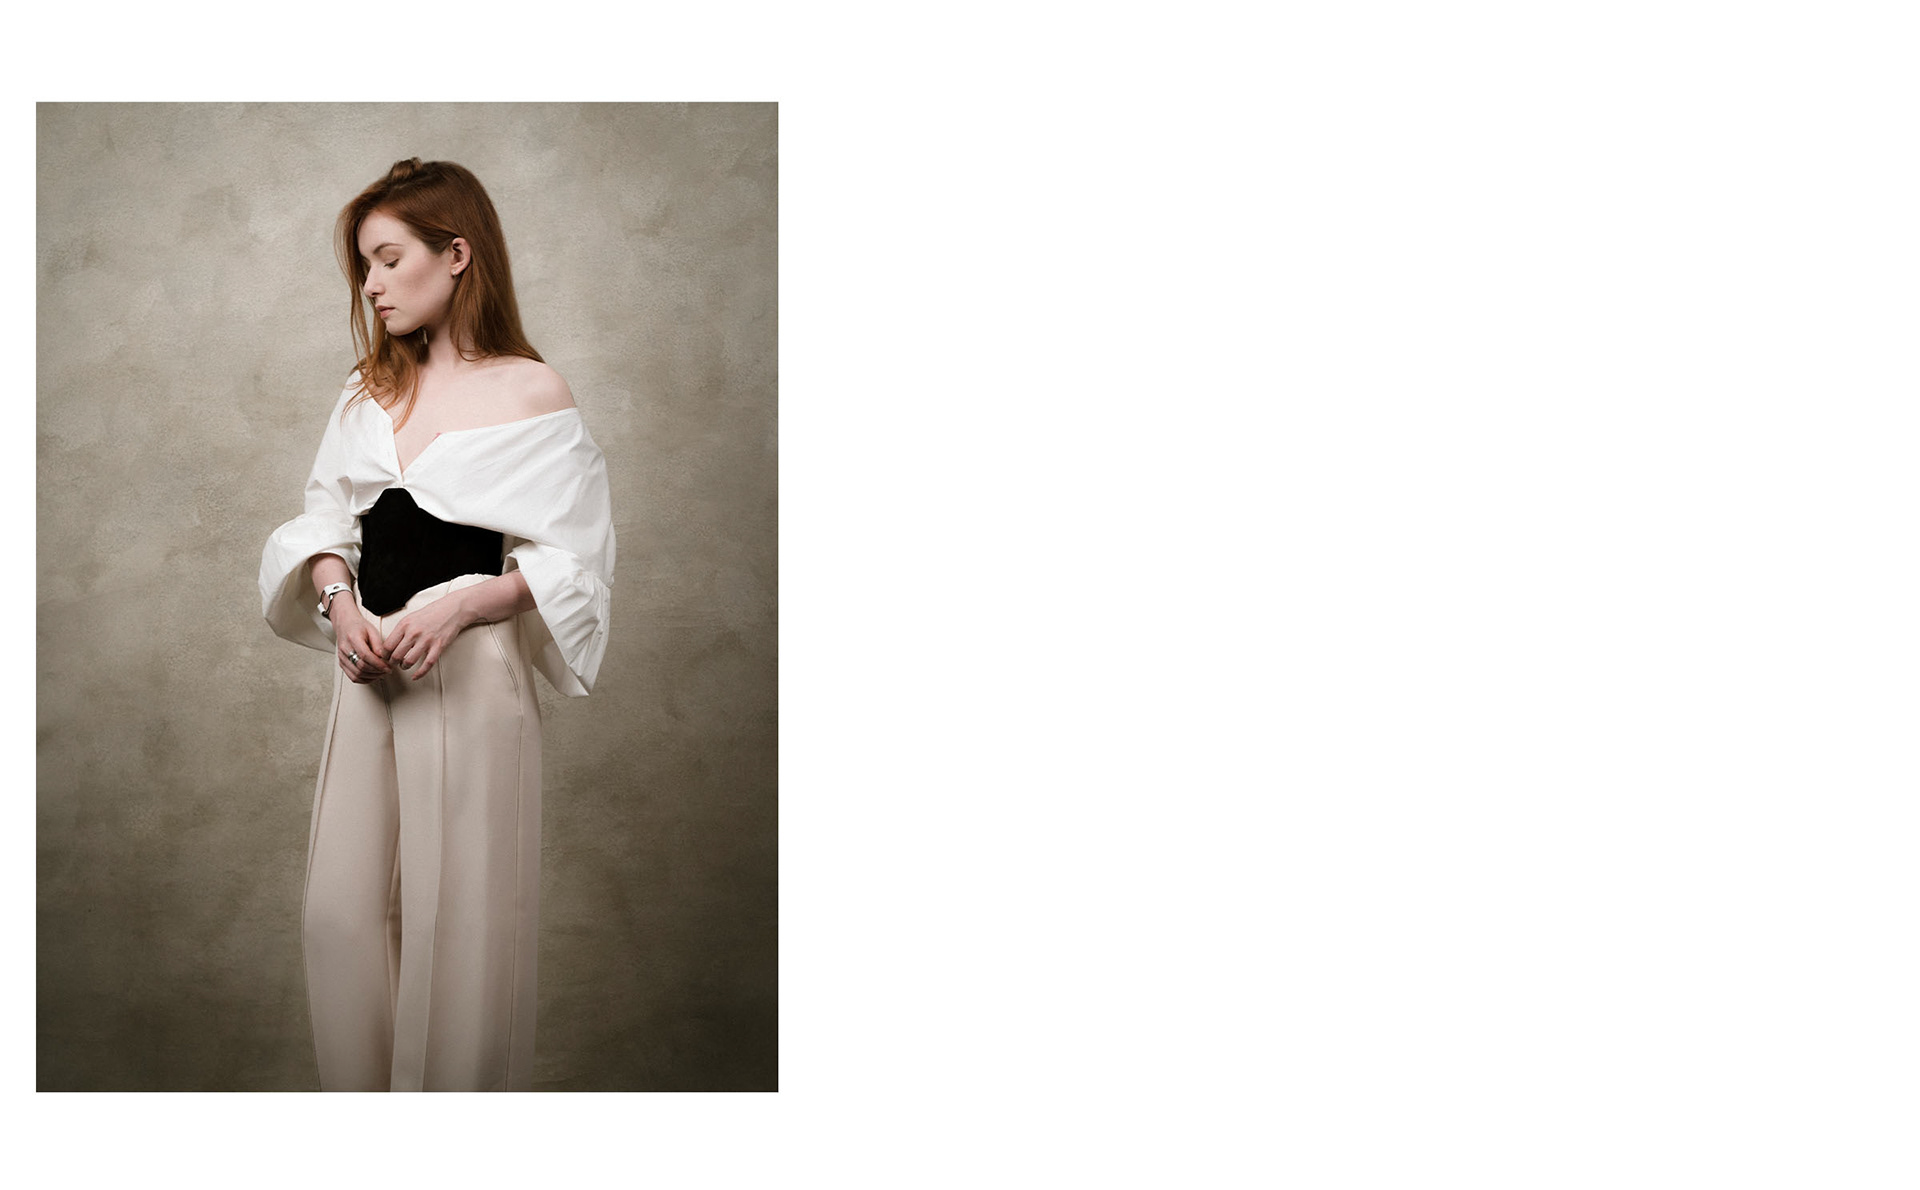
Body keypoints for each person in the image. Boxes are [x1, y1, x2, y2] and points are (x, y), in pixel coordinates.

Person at [257, 158, 616, 1091]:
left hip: (472, 674)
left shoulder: (533, 391)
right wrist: (339, 606)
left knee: (462, 925)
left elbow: (573, 558)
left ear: (456, 254)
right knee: (340, 916)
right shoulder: (367, 389)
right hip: (370, 672)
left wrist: (461, 605)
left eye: (387, 260)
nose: (371, 286)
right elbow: (325, 521)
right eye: (363, 268)